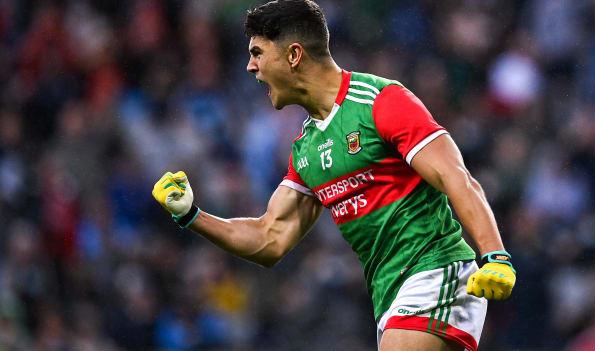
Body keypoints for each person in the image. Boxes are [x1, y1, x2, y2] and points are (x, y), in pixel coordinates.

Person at [151, 1, 516, 350]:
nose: (250, 66)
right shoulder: (306, 149)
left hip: (437, 271)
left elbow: (457, 177)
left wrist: (495, 256)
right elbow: (270, 238)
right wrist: (191, 215)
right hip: (390, 295)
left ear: (294, 55)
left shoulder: (380, 101)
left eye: (258, 53)